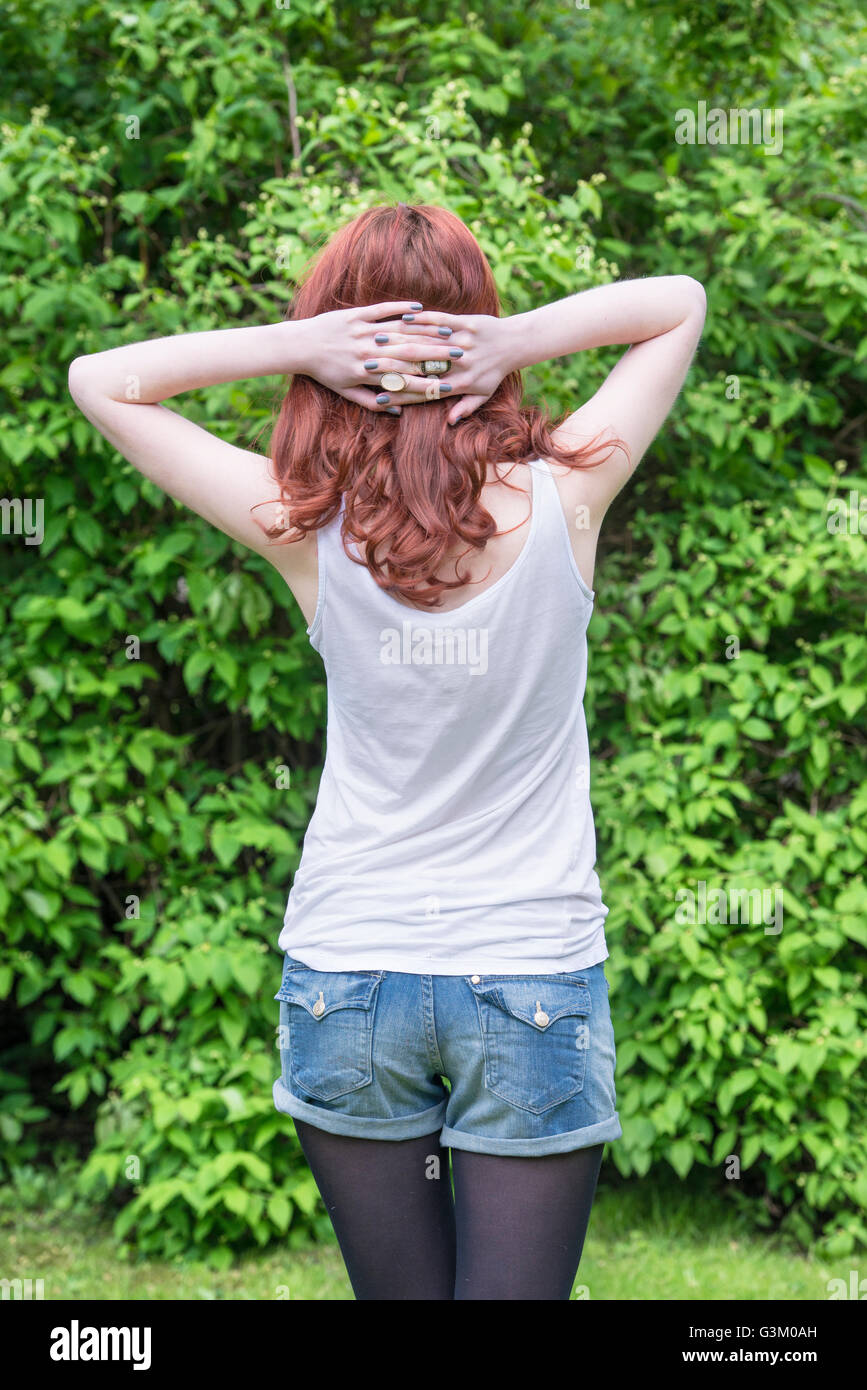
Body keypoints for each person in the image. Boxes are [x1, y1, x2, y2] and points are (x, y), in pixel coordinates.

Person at [68, 202, 706, 1300]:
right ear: (483, 333)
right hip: (531, 969)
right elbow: (678, 305)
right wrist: (512, 341)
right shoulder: (570, 495)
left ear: (338, 345)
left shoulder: (297, 523)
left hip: (350, 973)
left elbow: (101, 378)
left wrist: (299, 346)